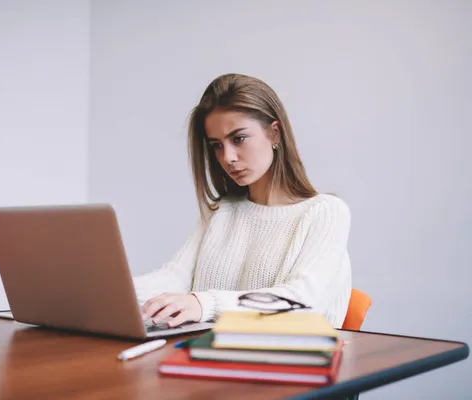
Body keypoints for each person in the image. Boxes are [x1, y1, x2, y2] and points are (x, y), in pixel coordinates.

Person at [133, 73, 352, 329]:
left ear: (274, 134)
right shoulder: (222, 211)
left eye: (238, 139)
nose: (228, 157)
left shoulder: (325, 212)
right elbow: (174, 277)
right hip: (214, 355)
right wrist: (109, 292)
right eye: (216, 145)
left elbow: (302, 302)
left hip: (291, 362)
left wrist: (206, 303)